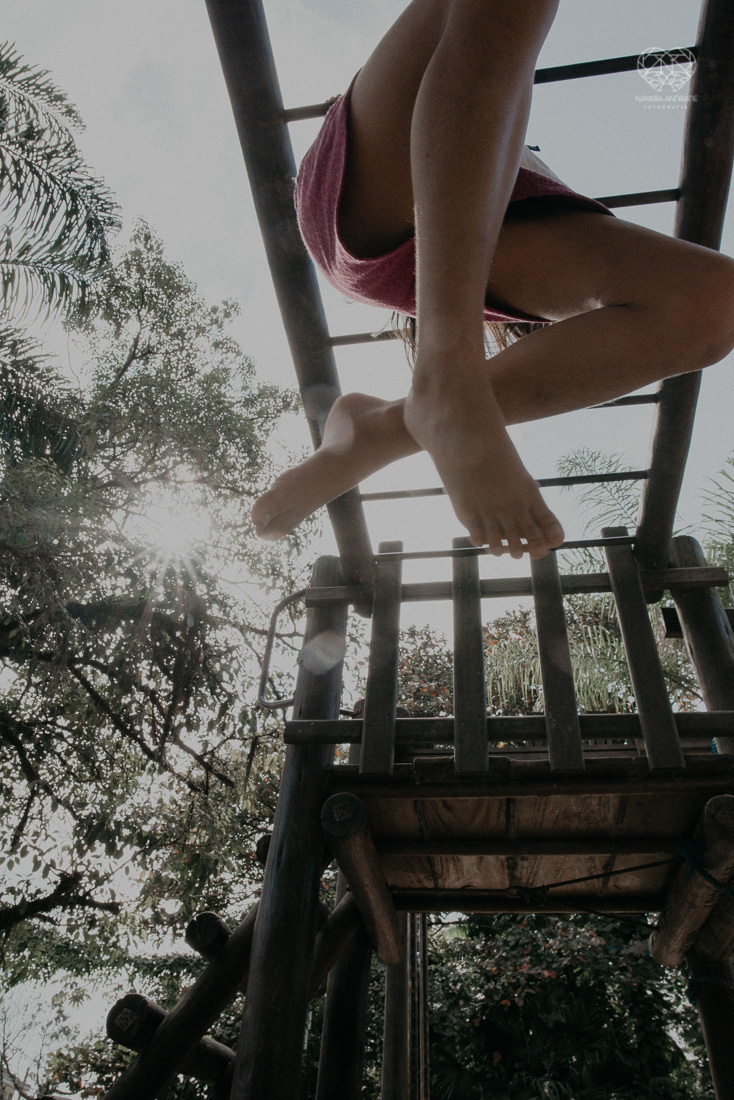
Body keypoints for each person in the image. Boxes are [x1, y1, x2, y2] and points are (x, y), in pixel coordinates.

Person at [251, 0, 734, 559]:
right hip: (411, 218)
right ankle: (430, 393)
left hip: (383, 210)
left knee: (715, 304)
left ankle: (410, 408)